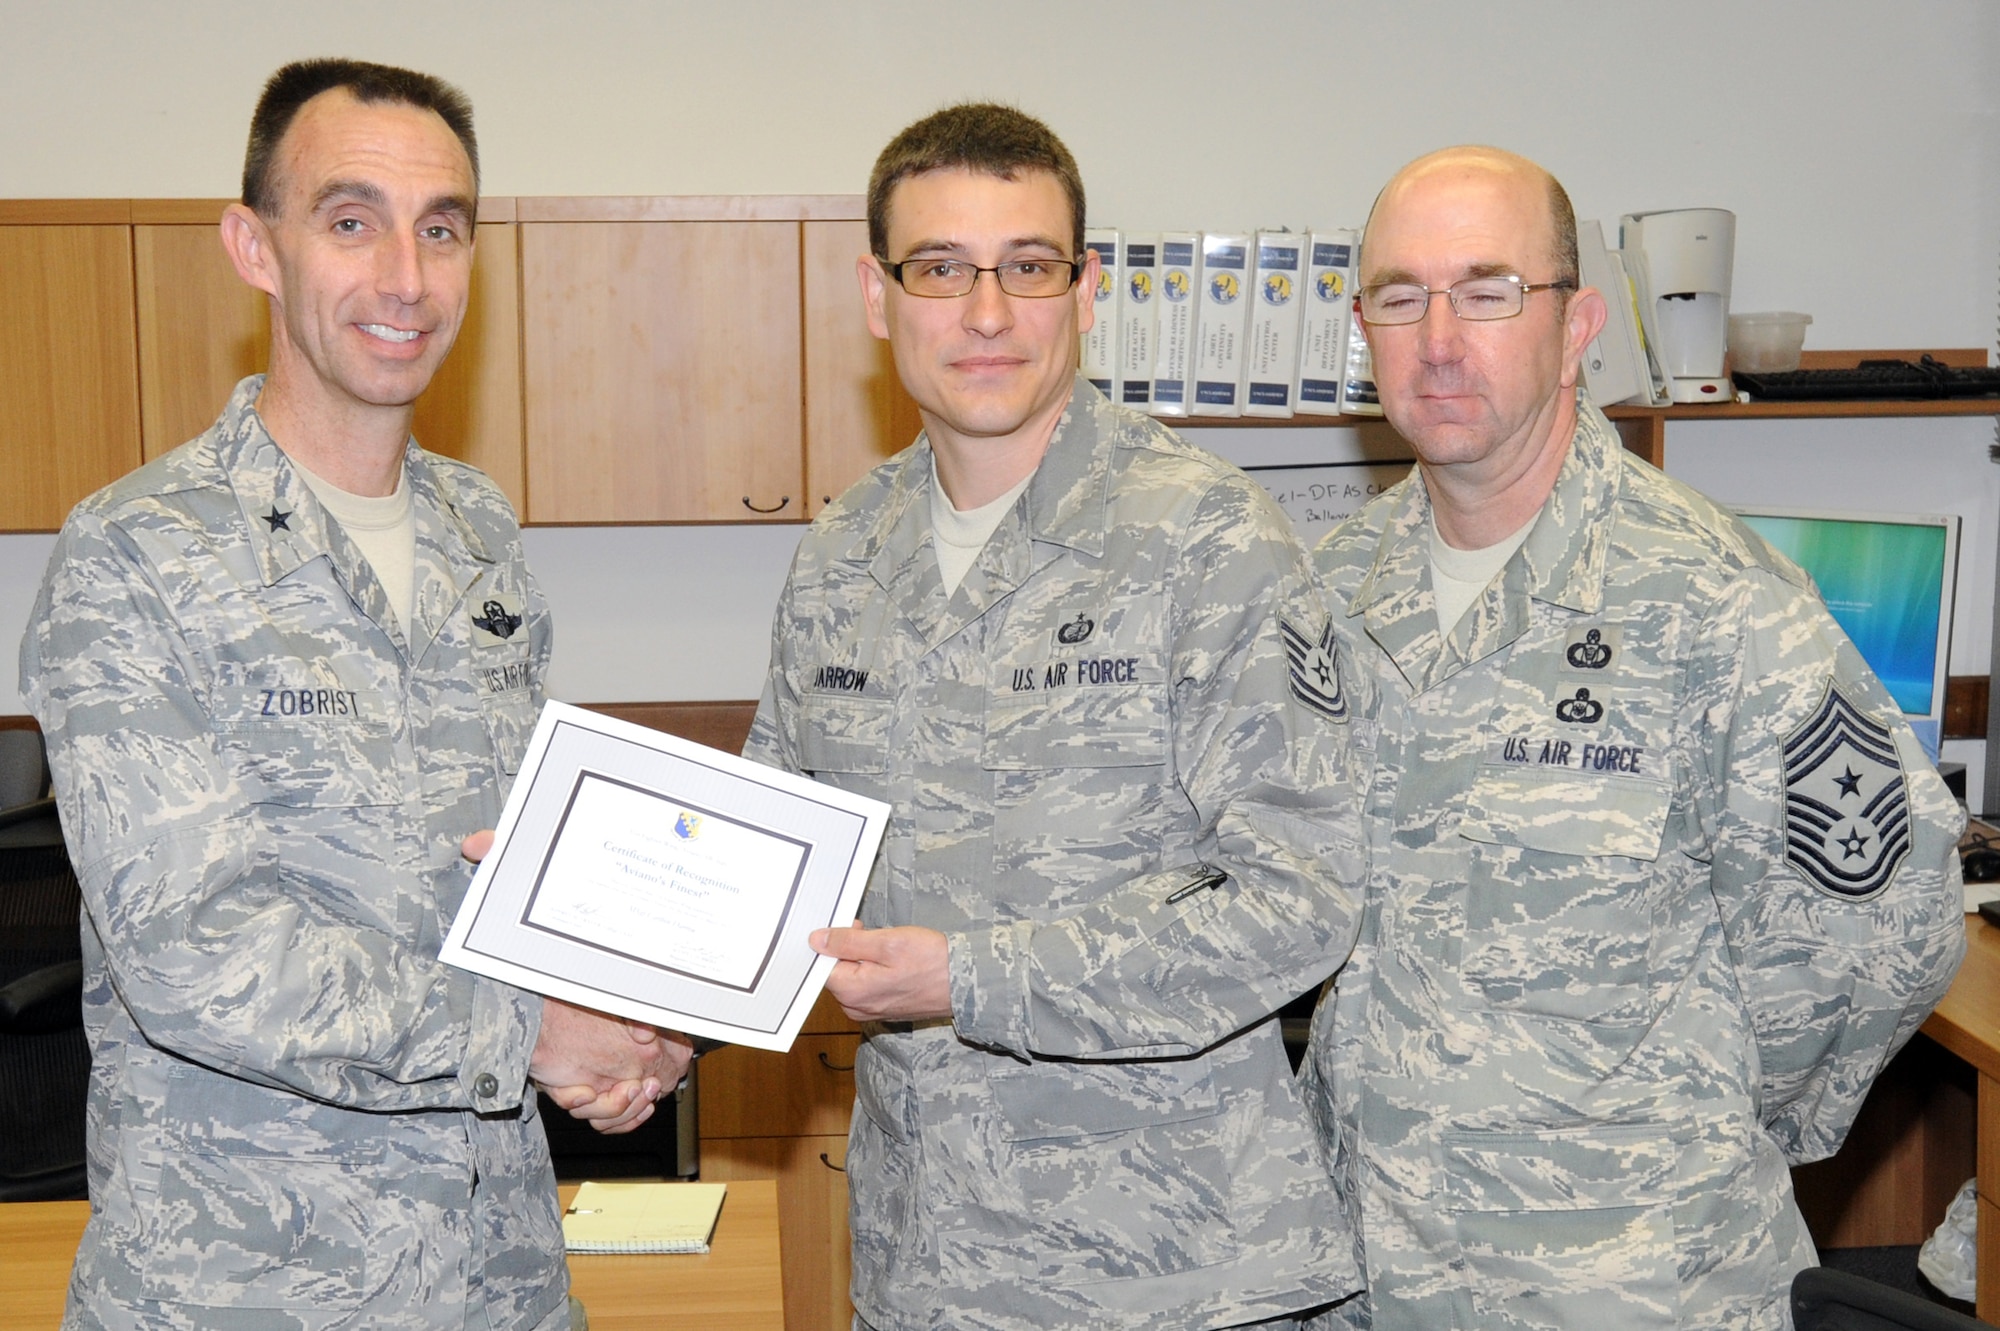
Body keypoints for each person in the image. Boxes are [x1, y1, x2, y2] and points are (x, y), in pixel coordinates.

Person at [21, 59, 689, 1330]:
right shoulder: (136, 554)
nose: (405, 276)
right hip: (249, 1286)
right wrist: (537, 1033)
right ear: (253, 247)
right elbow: (198, 955)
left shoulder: (478, 530)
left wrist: (654, 1006)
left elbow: (515, 863)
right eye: (350, 221)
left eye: (442, 229)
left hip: (495, 1275)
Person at [1299, 145, 1967, 1330]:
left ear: (1576, 326)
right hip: (1366, 1263)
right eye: (1398, 295)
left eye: (1489, 288)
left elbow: (1887, 918)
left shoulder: (1715, 598)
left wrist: (1695, 1112)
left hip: (1626, 1278)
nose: (1438, 335)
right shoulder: (1332, 590)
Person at [743, 103, 1367, 1330]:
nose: (985, 314)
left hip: (1180, 1274)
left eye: (1026, 267)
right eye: (940, 268)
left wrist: (966, 975)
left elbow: (1296, 893)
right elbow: (775, 846)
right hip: (926, 1260)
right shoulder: (839, 553)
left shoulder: (1208, 537)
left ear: (1085, 292)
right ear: (879, 297)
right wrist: (594, 934)